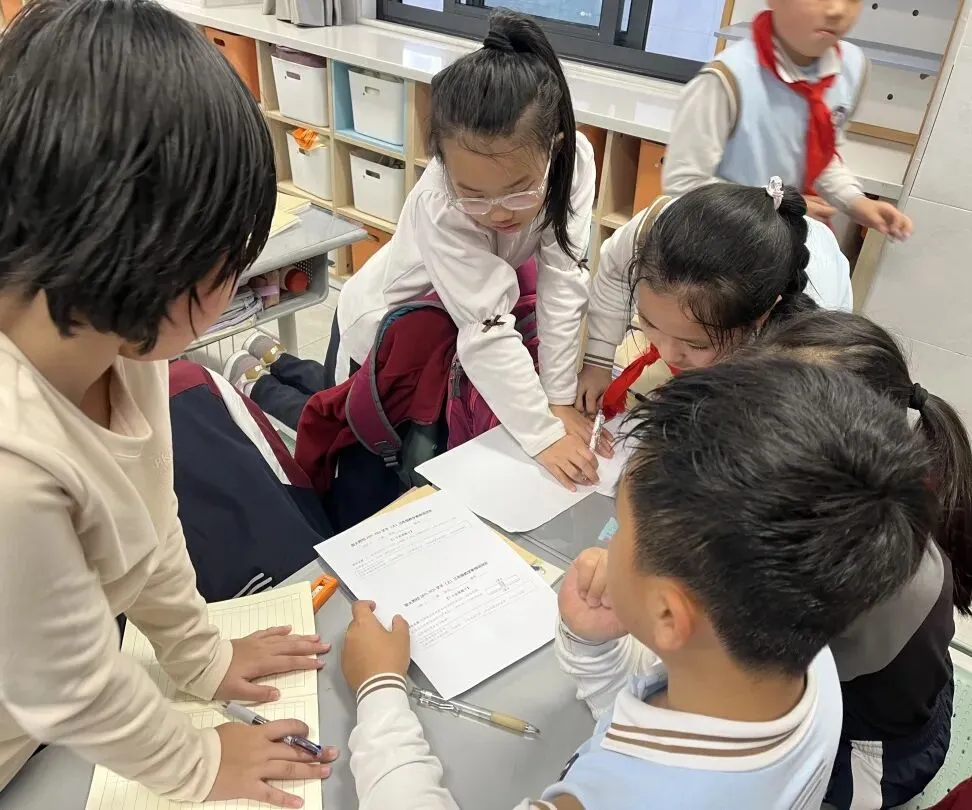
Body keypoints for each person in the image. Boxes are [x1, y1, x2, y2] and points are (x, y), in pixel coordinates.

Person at [335, 357, 936, 810]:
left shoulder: (603, 799)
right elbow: (651, 709)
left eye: (618, 527)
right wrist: (595, 648)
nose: (606, 541)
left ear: (669, 616)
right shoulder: (807, 656)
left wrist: (380, 691)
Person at [0, 1, 336, 806]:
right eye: (230, 264)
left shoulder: (120, 334)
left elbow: (151, 521)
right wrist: (199, 764)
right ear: (156, 261)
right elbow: (71, 689)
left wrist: (201, 656)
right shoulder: (15, 467)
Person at [331, 9, 599, 491]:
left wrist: (558, 400)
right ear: (443, 163)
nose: (498, 214)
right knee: (373, 462)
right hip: (393, 326)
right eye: (472, 194)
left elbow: (564, 280)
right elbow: (486, 328)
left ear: (554, 149)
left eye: (519, 191)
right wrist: (542, 433)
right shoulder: (438, 204)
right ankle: (264, 377)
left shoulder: (575, 161)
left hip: (458, 322)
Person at [747, 309, 971, 809]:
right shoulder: (893, 491)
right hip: (915, 694)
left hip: (876, 759)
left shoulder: (850, 566)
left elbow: (754, 666)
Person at [575, 179, 833, 415]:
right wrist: (598, 360)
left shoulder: (806, 342)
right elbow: (614, 274)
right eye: (649, 322)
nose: (667, 354)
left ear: (763, 314)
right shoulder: (653, 232)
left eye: (697, 345)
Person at [662, 0, 912, 239]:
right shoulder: (725, 81)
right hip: (731, 242)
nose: (837, 10)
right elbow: (683, 185)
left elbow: (817, 156)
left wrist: (854, 201)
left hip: (793, 240)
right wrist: (778, 206)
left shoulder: (852, 67)